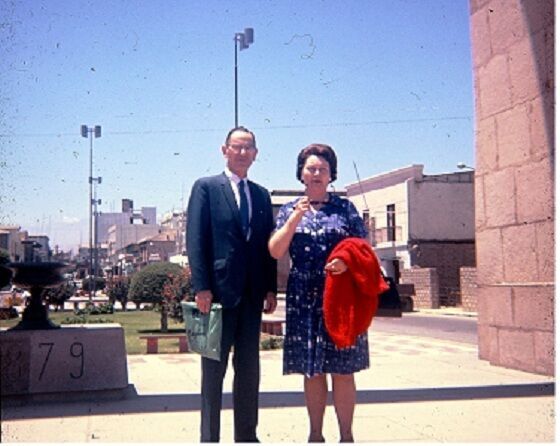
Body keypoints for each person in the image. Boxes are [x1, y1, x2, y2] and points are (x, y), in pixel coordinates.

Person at [268, 143, 369, 443]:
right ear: (301, 174)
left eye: (322, 169)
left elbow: (364, 249)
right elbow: (275, 250)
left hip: (341, 297)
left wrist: (346, 262)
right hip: (304, 299)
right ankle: (315, 435)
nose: (316, 173)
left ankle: (347, 436)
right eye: (310, 168)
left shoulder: (345, 209)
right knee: (312, 370)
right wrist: (294, 219)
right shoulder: (289, 209)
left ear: (330, 176)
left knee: (343, 369)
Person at [186, 126, 277, 443]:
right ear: (224, 150)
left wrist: (269, 288)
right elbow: (196, 240)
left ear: (256, 153)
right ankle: (209, 438)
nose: (242, 153)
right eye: (236, 147)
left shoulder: (262, 194)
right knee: (213, 372)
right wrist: (201, 286)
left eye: (248, 148)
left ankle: (247, 436)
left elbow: (268, 244)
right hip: (217, 296)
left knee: (249, 369)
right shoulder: (206, 188)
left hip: (252, 297)